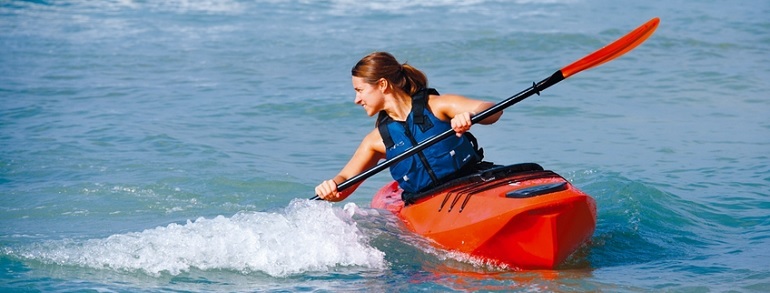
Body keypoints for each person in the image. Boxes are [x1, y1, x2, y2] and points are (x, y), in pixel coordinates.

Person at [315, 52, 503, 202]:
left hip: (473, 182)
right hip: (427, 202)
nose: (357, 100)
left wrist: (471, 116)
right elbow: (345, 180)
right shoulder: (376, 141)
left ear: (382, 84)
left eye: (359, 90)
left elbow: (493, 111)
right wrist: (331, 187)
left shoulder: (436, 106)